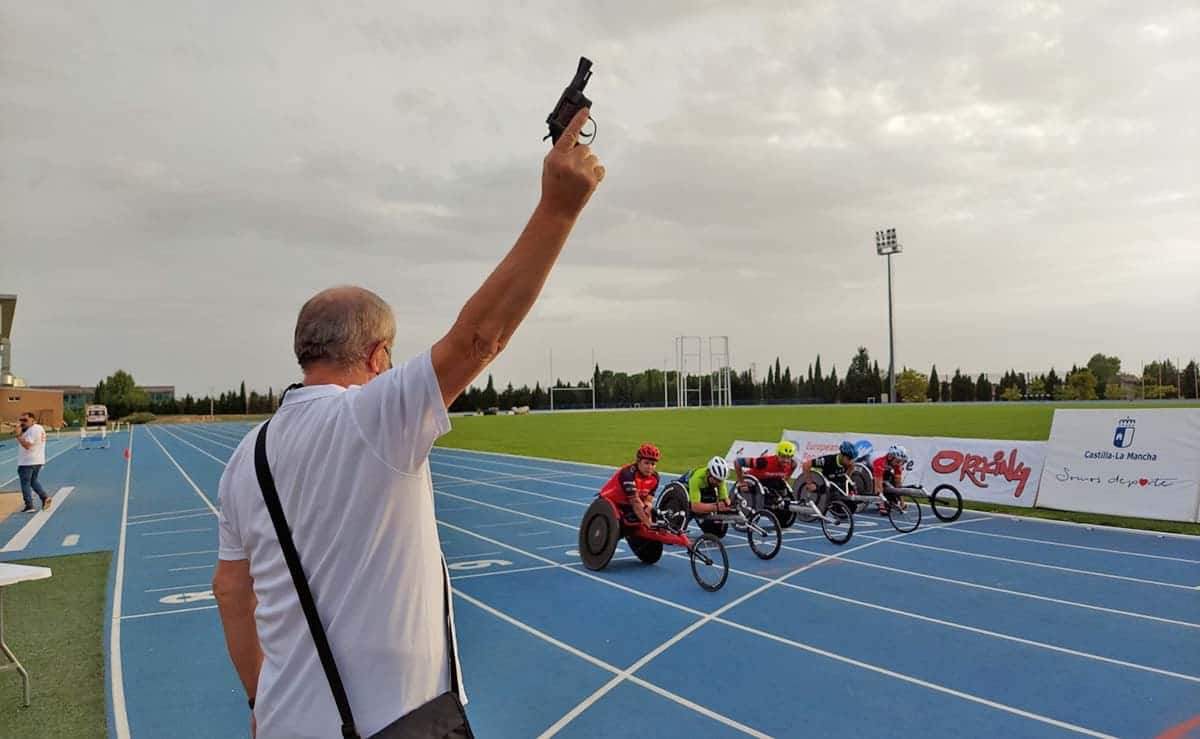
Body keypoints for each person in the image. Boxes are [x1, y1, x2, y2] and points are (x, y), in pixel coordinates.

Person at [212, 107, 604, 739]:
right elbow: (480, 338)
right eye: (390, 356)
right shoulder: (372, 418)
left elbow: (230, 591)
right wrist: (559, 211)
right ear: (376, 358)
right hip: (399, 722)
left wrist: (262, 697)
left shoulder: (245, 458)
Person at [599, 444, 663, 526]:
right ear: (638, 462)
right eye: (646, 463)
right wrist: (648, 524)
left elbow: (648, 499)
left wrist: (648, 507)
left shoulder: (655, 478)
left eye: (653, 464)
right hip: (611, 501)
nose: (650, 467)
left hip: (628, 504)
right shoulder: (628, 473)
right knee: (640, 521)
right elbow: (635, 501)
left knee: (653, 513)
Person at [799, 440, 857, 512]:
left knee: (853, 506)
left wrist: (846, 480)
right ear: (842, 455)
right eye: (849, 459)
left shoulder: (849, 464)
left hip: (836, 485)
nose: (850, 461)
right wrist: (809, 483)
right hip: (824, 486)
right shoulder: (827, 460)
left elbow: (851, 468)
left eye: (852, 459)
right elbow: (806, 465)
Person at [733, 441, 799, 504]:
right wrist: (741, 482)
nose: (785, 460)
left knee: (782, 488)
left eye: (788, 457)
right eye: (783, 456)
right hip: (754, 483)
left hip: (770, 483)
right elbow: (737, 462)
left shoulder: (793, 464)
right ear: (777, 455)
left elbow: (785, 478)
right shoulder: (764, 462)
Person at [14, 413, 51, 512]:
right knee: (33, 481)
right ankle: (44, 497)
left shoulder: (33, 429)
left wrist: (18, 435)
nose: (22, 422)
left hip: (27, 462)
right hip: (37, 460)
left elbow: (28, 445)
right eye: (21, 420)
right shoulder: (38, 428)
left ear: (33, 420)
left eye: (25, 420)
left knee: (25, 483)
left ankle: (29, 505)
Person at [873, 443, 911, 515]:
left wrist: (902, 503)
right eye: (897, 461)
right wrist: (882, 504)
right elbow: (878, 485)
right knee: (880, 482)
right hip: (872, 466)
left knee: (893, 478)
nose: (899, 463)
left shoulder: (896, 462)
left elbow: (898, 483)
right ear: (890, 457)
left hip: (884, 468)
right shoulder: (880, 462)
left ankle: (890, 499)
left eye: (900, 461)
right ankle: (881, 503)